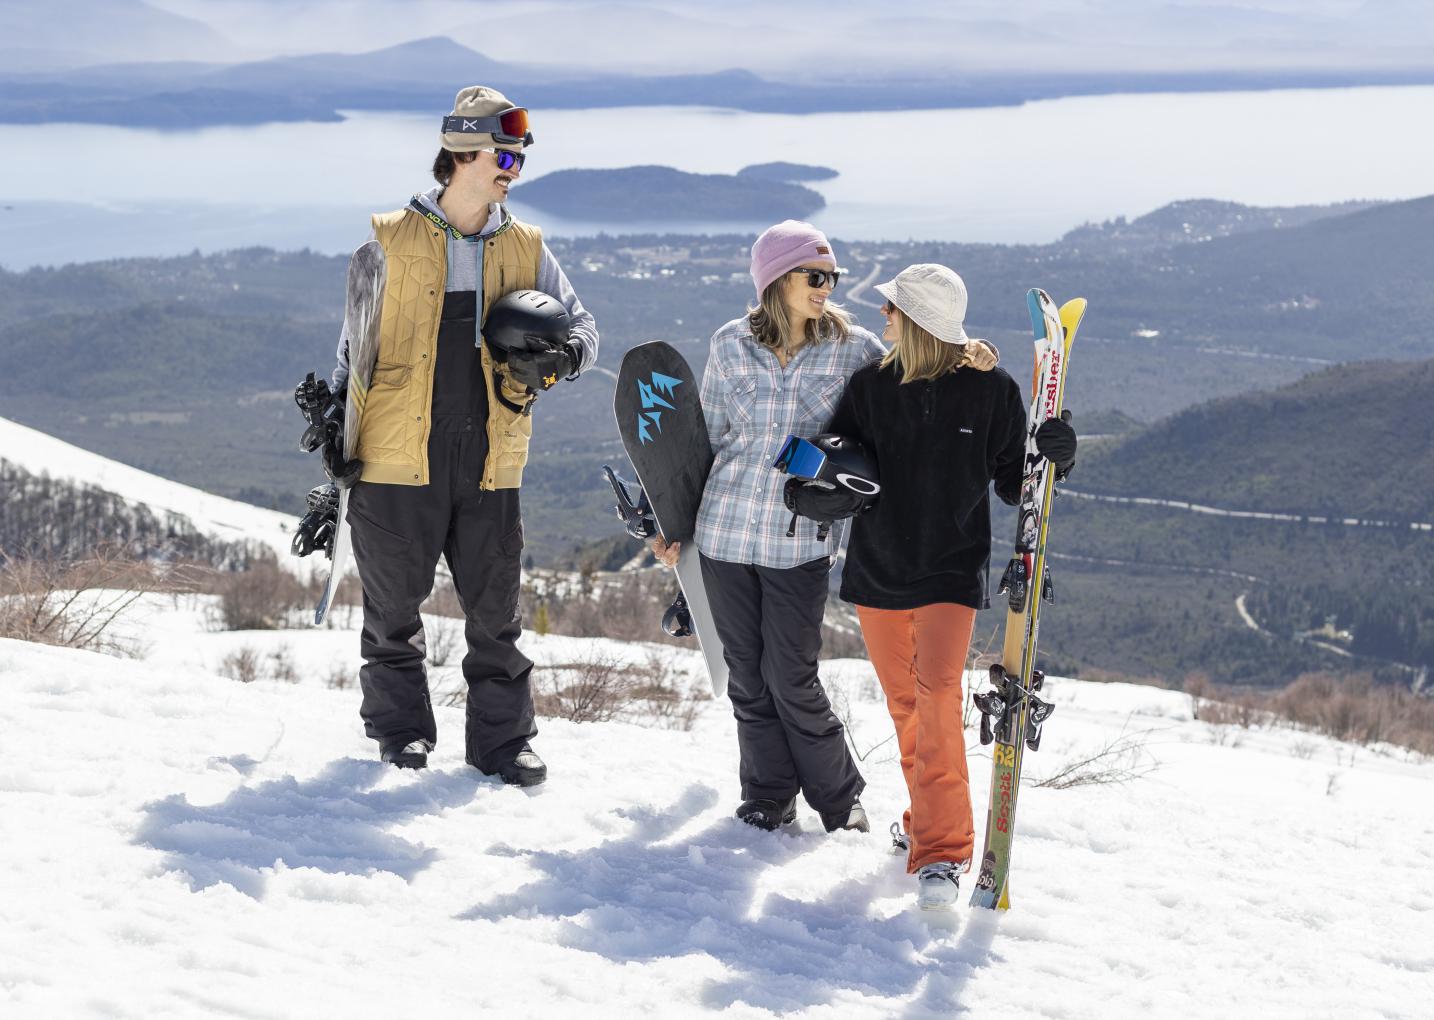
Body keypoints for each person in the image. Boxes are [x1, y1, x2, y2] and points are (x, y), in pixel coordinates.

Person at [653, 224, 996, 834]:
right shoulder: (729, 343)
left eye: (831, 278)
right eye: (815, 276)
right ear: (775, 280)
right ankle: (767, 795)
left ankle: (839, 799)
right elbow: (706, 440)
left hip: (798, 539)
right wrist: (674, 527)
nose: (827, 288)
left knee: (792, 677)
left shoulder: (854, 348)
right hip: (723, 531)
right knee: (746, 677)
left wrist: (970, 354)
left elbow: (921, 372)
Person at [322, 86, 598, 785]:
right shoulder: (389, 240)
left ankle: (504, 745)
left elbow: (584, 328)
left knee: (495, 613)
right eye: (504, 156)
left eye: (519, 158)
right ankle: (401, 734)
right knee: (393, 609)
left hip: (489, 455)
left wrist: (563, 358)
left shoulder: (526, 246)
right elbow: (353, 349)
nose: (514, 168)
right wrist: (335, 428)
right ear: (462, 153)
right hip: (395, 456)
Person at [824, 263, 1076, 907]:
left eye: (892, 308)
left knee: (936, 696)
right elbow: (839, 461)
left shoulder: (990, 390)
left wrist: (1054, 455)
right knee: (906, 708)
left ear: (915, 319)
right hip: (878, 570)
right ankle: (925, 821)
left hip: (950, 569)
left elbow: (1015, 483)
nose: (882, 315)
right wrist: (817, 482)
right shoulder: (869, 388)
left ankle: (942, 853)